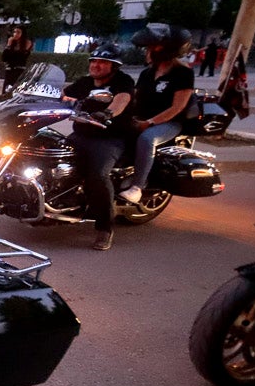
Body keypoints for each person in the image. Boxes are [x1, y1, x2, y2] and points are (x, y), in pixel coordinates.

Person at [62, 48, 136, 251]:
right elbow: (62, 94)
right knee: (51, 156)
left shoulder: (123, 81)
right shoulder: (85, 82)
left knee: (98, 174)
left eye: (102, 62)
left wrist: (108, 113)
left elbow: (121, 100)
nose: (96, 65)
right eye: (93, 61)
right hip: (81, 134)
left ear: (114, 66)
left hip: (110, 138)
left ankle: (104, 228)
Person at [120, 23, 196, 204]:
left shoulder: (183, 73)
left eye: (153, 46)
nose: (149, 50)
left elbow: (177, 107)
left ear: (169, 48)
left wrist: (150, 122)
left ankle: (137, 187)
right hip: (143, 118)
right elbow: (135, 98)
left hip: (169, 123)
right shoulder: (147, 73)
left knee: (147, 139)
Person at [1, 26, 33, 93]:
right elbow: (4, 58)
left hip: (19, 71)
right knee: (6, 91)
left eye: (18, 32)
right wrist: (8, 45)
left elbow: (20, 57)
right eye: (14, 32)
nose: (15, 34)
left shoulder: (27, 43)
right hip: (9, 70)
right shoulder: (12, 43)